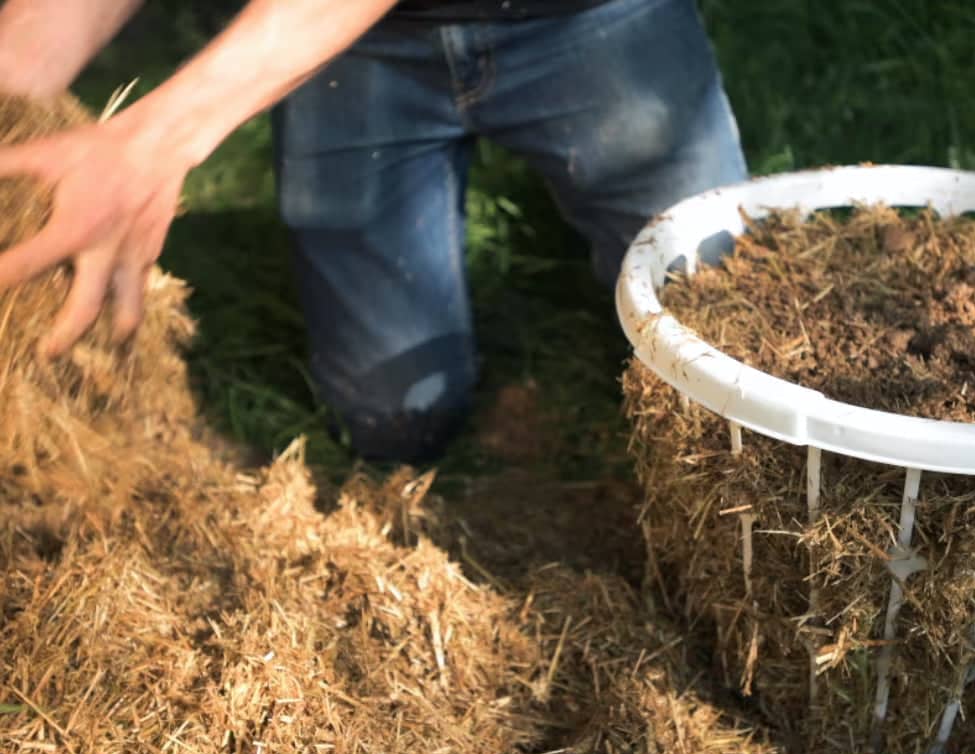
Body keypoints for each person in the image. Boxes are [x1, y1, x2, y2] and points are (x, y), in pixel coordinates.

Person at [0, 0, 747, 461]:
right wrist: (11, 102)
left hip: (588, 19)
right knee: (393, 422)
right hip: (354, 47)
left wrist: (149, 146)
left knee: (731, 339)